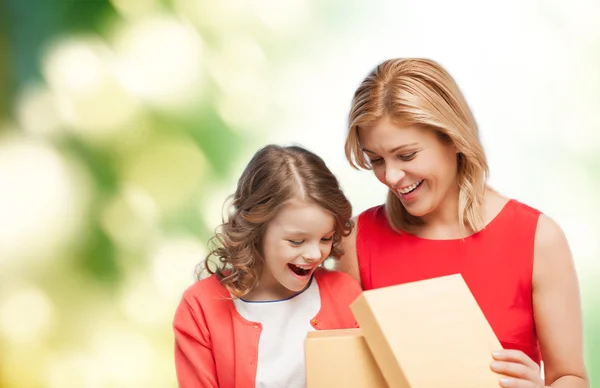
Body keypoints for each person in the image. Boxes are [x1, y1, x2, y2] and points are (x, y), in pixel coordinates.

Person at [337, 58, 589, 387]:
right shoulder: (356, 241)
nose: (392, 176)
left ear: (453, 138)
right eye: (376, 160)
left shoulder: (538, 239)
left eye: (407, 155)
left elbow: (571, 377)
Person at [173, 144, 362, 388]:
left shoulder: (345, 295)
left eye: (326, 238)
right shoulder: (200, 307)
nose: (315, 254)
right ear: (257, 231)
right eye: (297, 241)